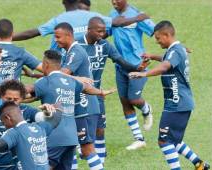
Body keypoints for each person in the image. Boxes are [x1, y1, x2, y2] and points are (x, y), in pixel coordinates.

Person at [129, 20, 210, 170]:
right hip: (177, 103)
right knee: (174, 140)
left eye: (158, 38)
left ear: (167, 35)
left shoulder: (177, 50)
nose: (157, 42)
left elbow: (166, 65)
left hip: (177, 104)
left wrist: (144, 74)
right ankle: (199, 165)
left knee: (164, 141)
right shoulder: (175, 50)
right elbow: (167, 59)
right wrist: (153, 56)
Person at [77, 16, 149, 164]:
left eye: (103, 31)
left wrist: (137, 68)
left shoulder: (105, 45)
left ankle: (100, 162)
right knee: (79, 128)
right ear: (88, 30)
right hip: (78, 93)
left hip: (97, 93)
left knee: (100, 129)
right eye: (98, 31)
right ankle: (79, 150)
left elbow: (121, 61)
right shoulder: (76, 45)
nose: (101, 34)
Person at [26, 49, 114, 170]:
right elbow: (87, 88)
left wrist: (9, 96)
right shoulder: (71, 81)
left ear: (45, 65)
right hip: (71, 138)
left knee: (41, 167)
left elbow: (29, 92)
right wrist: (101, 92)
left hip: (55, 136)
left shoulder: (44, 82)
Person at [54, 22, 108, 170]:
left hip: (84, 107)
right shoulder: (69, 51)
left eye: (58, 37)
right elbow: (56, 75)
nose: (55, 40)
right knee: (71, 146)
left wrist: (43, 72)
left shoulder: (75, 52)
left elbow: (60, 75)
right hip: (80, 107)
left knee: (87, 149)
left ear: (68, 35)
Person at [12, 0, 150, 54]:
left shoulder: (59, 20)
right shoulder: (92, 16)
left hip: (64, 66)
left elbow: (33, 32)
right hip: (87, 65)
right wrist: (137, 18)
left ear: (63, 2)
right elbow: (117, 22)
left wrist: (9, 36)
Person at [0, 80, 57, 170]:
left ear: (22, 98)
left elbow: (43, 119)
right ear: (1, 96)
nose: (12, 102)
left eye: (16, 99)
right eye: (8, 99)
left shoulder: (28, 111)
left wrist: (47, 112)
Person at [108, 0, 155, 150]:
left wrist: (175, 46)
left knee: (134, 99)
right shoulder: (112, 15)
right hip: (120, 65)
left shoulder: (136, 14)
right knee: (125, 101)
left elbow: (156, 30)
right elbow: (105, 32)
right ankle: (138, 138)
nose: (114, 1)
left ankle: (147, 109)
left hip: (138, 65)